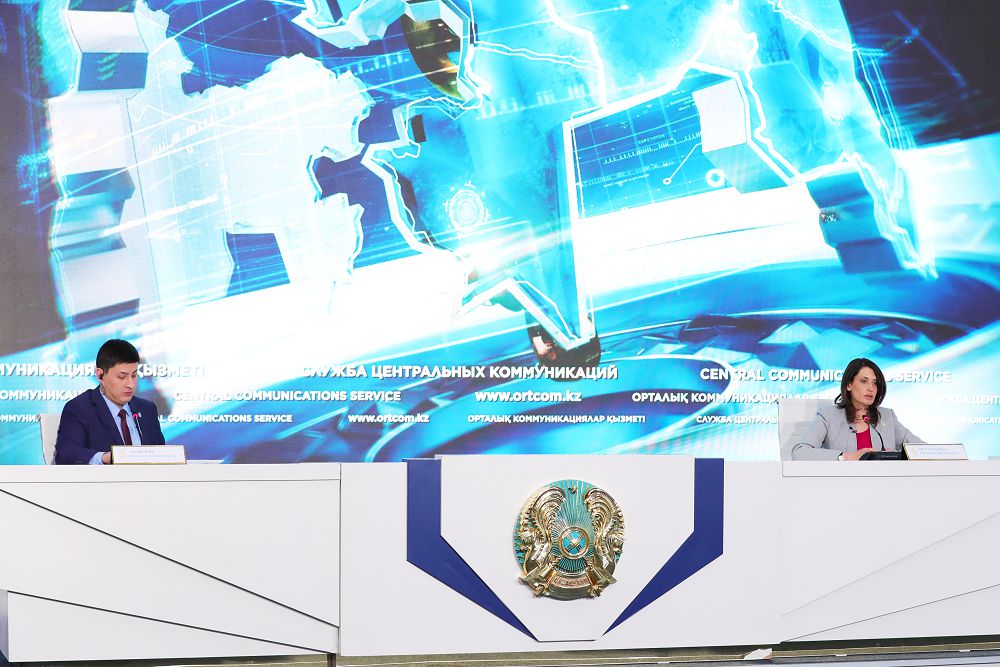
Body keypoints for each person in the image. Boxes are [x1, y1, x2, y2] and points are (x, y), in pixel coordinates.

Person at [785, 358, 924, 461]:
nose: (871, 388)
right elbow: (799, 452)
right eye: (864, 381)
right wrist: (846, 457)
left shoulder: (887, 416)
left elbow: (922, 450)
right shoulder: (828, 416)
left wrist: (895, 456)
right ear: (849, 385)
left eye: (875, 383)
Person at [54, 339, 165, 464]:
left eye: (134, 375)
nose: (130, 384)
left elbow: (161, 456)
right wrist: (104, 458)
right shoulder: (80, 408)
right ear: (100, 375)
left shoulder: (147, 409)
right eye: (121, 377)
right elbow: (66, 453)